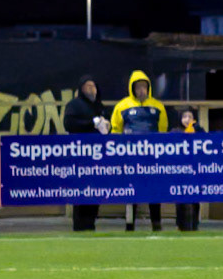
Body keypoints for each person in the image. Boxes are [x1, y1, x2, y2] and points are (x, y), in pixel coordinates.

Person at [111, 69, 167, 232]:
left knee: (154, 191)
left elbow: (163, 129)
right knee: (131, 192)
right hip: (131, 157)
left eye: (144, 86)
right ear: (132, 88)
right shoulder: (122, 106)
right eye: (138, 87)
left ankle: (156, 224)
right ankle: (130, 225)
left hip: (152, 156)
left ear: (148, 87)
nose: (141, 90)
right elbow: (116, 129)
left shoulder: (157, 106)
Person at [61, 74, 109, 232]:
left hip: (97, 158)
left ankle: (91, 224)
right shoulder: (74, 105)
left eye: (93, 86)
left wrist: (106, 127)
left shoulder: (98, 106)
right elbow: (69, 124)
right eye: (88, 86)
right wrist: (91, 124)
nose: (91, 89)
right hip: (80, 157)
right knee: (80, 193)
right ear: (81, 88)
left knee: (95, 192)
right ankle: (79, 226)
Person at [174, 108, 203, 232]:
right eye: (184, 116)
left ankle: (194, 223)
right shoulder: (175, 131)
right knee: (180, 198)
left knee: (195, 198)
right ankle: (180, 224)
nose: (187, 119)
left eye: (190, 116)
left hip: (195, 169)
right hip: (179, 170)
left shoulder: (199, 130)